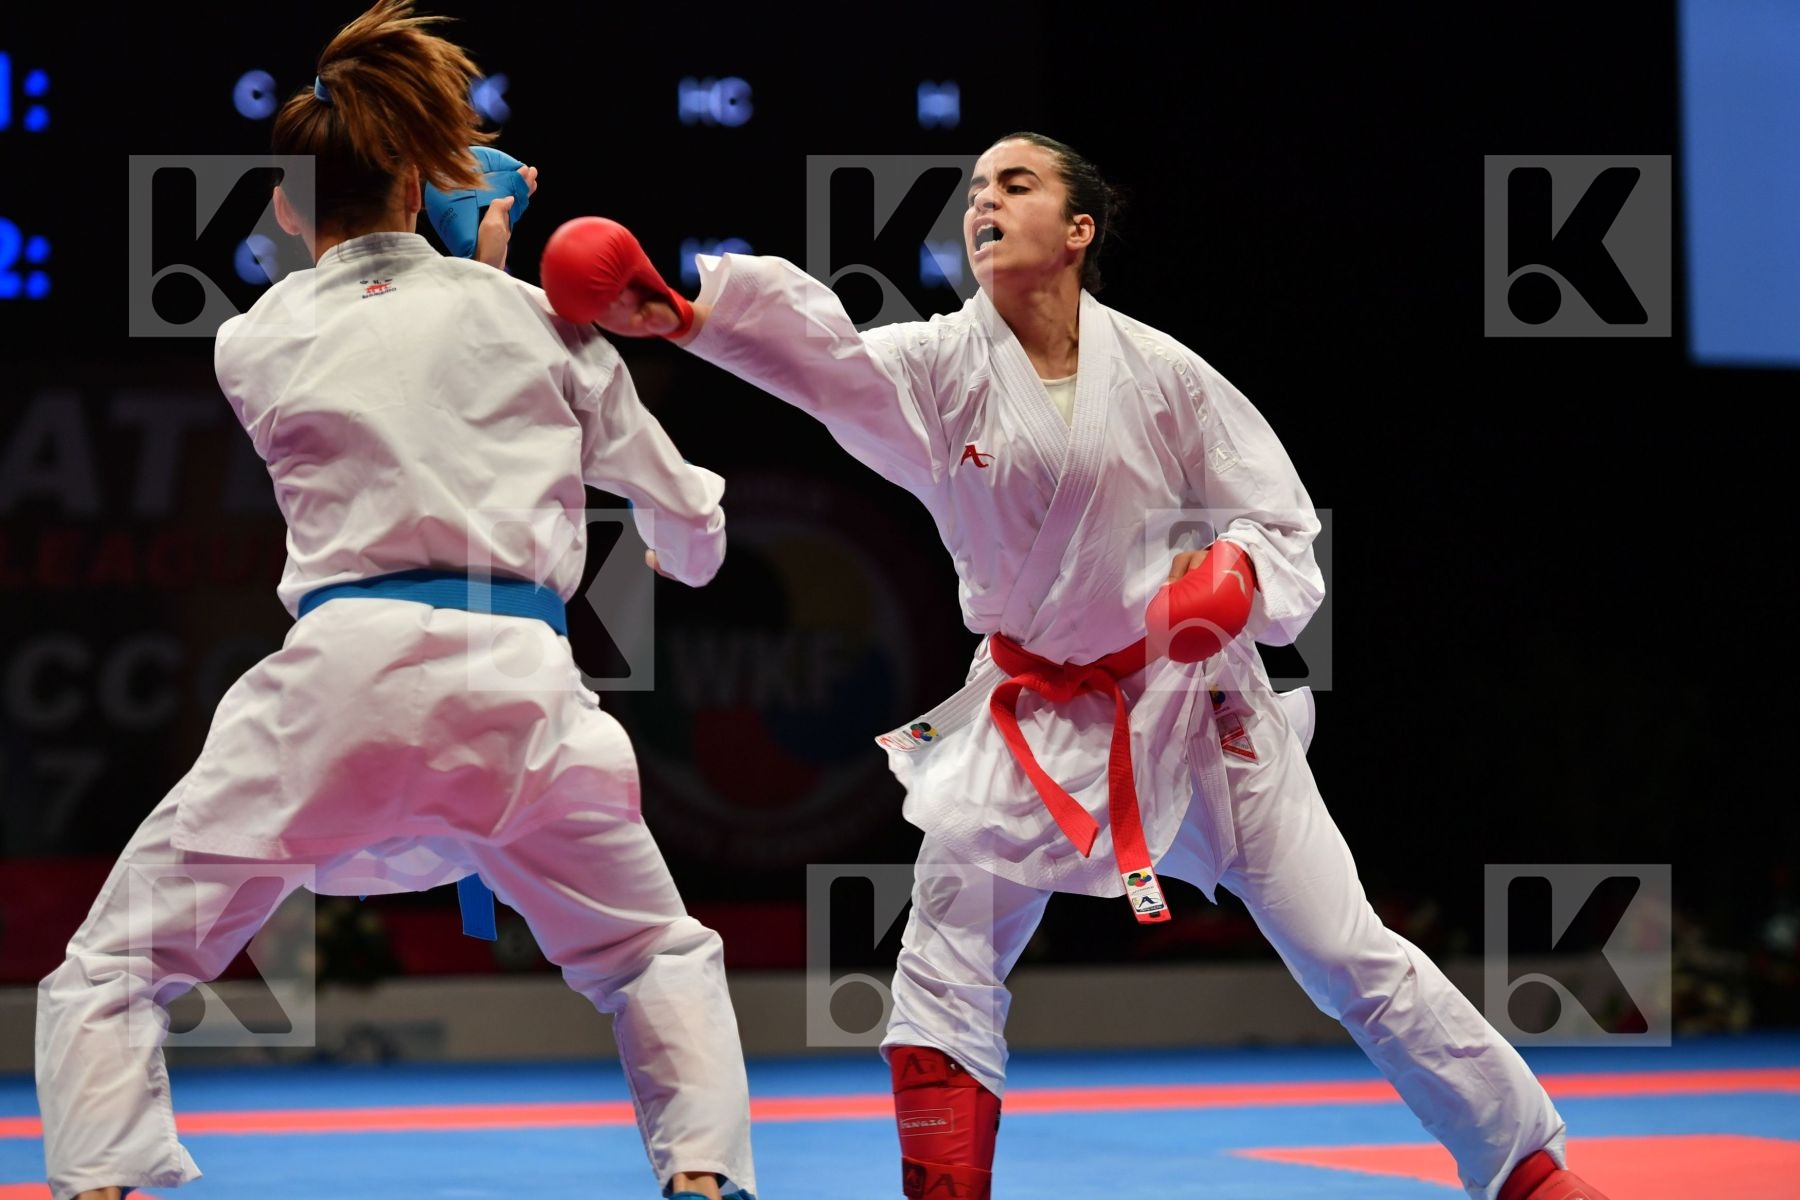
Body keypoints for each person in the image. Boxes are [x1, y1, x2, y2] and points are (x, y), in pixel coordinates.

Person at [538, 132, 1611, 1200]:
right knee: (944, 963)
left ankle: (1526, 1170)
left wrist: (1233, 575)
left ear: (1078, 231)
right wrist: (683, 318)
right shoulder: (936, 370)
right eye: (973, 191)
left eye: (1017, 184)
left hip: (1196, 706)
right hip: (1030, 712)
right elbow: (824, 366)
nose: (985, 203)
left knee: (1350, 957)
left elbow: (1281, 521)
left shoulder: (1163, 373)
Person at [33, 5, 755, 1199]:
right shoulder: (541, 323)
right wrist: (513, 278)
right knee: (651, 954)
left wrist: (461, 248)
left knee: (112, 966)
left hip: (337, 696)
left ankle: (103, 1180)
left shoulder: (255, 342)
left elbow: (395, 338)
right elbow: (696, 538)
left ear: (285, 210)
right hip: (519, 696)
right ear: (428, 193)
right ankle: (704, 1178)